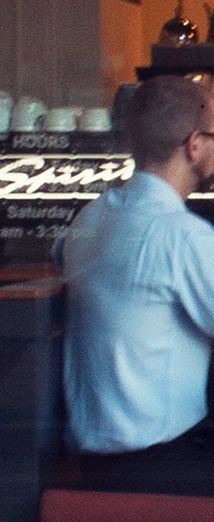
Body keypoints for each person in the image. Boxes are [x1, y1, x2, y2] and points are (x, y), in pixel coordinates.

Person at [56, 74, 214, 492]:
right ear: (194, 145)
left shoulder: (90, 219)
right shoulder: (182, 238)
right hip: (163, 467)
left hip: (92, 461)